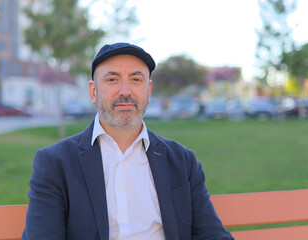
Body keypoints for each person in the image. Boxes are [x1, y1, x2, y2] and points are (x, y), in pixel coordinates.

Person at [22, 42, 234, 240]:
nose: (126, 91)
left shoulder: (182, 161)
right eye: (112, 79)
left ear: (148, 91)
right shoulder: (55, 163)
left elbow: (213, 235)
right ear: (93, 92)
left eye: (136, 79)